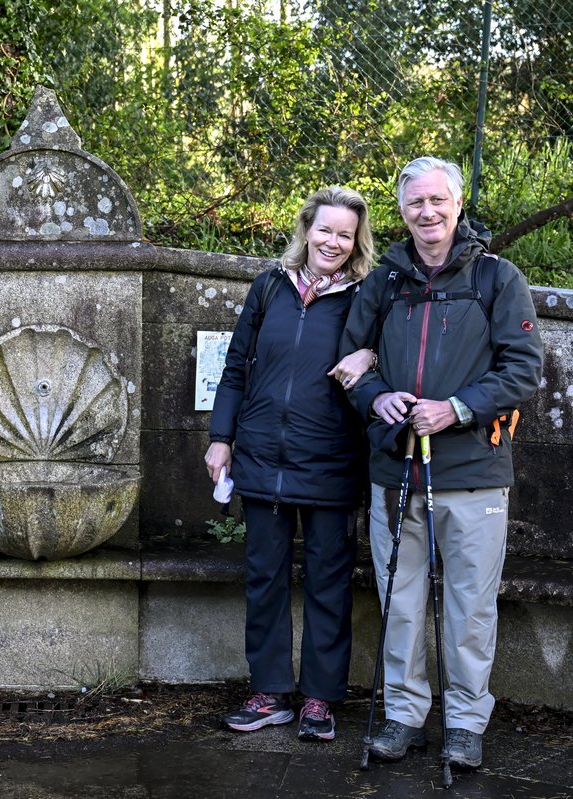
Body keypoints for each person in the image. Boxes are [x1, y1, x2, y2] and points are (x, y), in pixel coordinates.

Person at [340, 157, 542, 769]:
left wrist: (455, 408)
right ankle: (404, 717)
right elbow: (351, 360)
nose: (426, 212)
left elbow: (523, 370)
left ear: (457, 204)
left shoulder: (497, 278)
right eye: (414, 203)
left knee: (469, 608)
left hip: (473, 474)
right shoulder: (384, 281)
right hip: (394, 471)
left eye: (436, 200)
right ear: (402, 212)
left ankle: (465, 723)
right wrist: (377, 397)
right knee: (399, 603)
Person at [205, 186, 376, 742]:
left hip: (331, 461)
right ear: (306, 229)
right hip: (261, 459)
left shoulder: (366, 295)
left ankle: (320, 699)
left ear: (356, 242)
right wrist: (221, 438)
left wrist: (371, 352)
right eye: (325, 229)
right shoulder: (269, 286)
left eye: (345, 235)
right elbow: (236, 367)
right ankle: (270, 692)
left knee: (329, 583)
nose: (333, 242)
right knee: (264, 580)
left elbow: (388, 358)